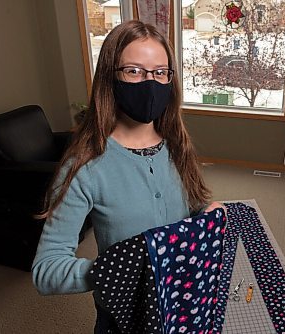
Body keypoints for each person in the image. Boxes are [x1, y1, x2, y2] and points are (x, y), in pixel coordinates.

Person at [32, 20, 224, 333]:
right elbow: (46, 270)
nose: (150, 83)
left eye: (160, 72)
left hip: (183, 303)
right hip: (124, 319)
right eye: (134, 70)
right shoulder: (85, 166)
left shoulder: (178, 146)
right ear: (111, 76)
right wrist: (116, 270)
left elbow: (187, 210)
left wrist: (205, 213)